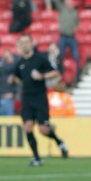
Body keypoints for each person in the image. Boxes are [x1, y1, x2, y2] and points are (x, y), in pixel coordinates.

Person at [10, 34, 69, 166]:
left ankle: (59, 142)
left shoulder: (40, 59)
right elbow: (18, 77)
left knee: (43, 130)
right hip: (27, 99)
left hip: (40, 98)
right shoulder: (20, 63)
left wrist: (42, 76)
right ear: (19, 46)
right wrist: (13, 80)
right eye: (22, 43)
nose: (24, 45)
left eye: (26, 42)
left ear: (31, 44)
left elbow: (56, 73)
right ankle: (36, 158)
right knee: (28, 127)